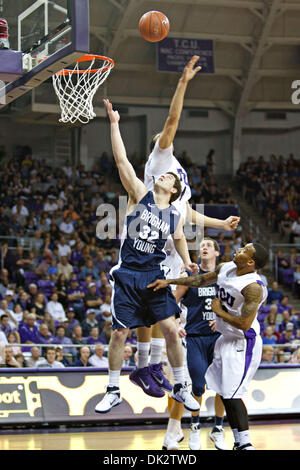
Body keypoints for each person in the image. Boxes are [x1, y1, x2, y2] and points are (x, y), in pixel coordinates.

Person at [130, 55, 240, 398]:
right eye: (164, 136)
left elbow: (187, 213)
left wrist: (220, 223)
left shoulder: (179, 177)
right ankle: (144, 364)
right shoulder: (159, 158)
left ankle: (157, 367)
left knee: (168, 310)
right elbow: (173, 118)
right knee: (151, 306)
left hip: (173, 241)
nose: (169, 137)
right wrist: (183, 83)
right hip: (151, 238)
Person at [94, 97, 200, 415]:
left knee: (169, 328)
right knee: (119, 333)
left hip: (154, 275)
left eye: (168, 177)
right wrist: (114, 125)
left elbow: (180, 239)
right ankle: (113, 389)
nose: (163, 175)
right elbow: (122, 160)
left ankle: (181, 386)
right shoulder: (140, 194)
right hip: (128, 272)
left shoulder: (174, 216)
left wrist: (188, 260)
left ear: (174, 189)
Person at [148, 242, 268, 450]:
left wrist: (219, 312)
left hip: (243, 341)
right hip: (222, 339)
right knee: (217, 389)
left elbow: (244, 323)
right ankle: (233, 439)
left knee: (231, 394)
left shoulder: (253, 287)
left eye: (244, 250)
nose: (238, 250)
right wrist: (171, 280)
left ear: (250, 262)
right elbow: (200, 279)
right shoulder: (226, 268)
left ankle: (244, 442)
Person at [163, 238, 227, 451]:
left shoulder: (224, 276)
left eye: (208, 246)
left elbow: (233, 304)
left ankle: (218, 430)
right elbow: (173, 301)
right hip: (195, 337)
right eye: (201, 247)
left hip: (219, 338)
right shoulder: (190, 275)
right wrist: (175, 322)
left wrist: (223, 320)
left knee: (222, 387)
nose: (204, 248)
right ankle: (195, 428)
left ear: (217, 253)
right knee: (197, 387)